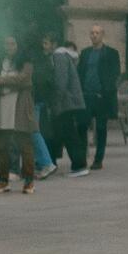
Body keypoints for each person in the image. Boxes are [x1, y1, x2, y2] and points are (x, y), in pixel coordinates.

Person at [0, 36, 38, 195]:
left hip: (19, 108)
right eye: (6, 43)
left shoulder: (26, 62)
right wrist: (1, 82)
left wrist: (1, 80)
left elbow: (24, 79)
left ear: (18, 45)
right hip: (1, 108)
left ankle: (29, 181)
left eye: (12, 43)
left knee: (24, 145)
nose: (9, 46)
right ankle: (3, 180)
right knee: (1, 147)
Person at [76, 25, 120, 171]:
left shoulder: (111, 53)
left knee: (101, 128)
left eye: (97, 33)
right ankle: (82, 157)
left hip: (101, 96)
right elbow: (80, 72)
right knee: (82, 126)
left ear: (102, 35)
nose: (94, 35)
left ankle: (98, 159)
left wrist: (106, 90)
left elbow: (115, 74)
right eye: (92, 32)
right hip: (86, 95)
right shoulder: (85, 53)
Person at [48, 33, 87, 177]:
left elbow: (61, 82)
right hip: (69, 101)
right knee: (66, 133)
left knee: (70, 134)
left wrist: (56, 102)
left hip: (65, 102)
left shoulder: (59, 56)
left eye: (47, 43)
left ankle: (79, 165)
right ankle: (74, 163)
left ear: (54, 44)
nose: (45, 47)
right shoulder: (64, 56)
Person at [29, 34, 58, 179]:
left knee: (33, 131)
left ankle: (46, 162)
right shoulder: (45, 60)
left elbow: (43, 81)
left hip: (36, 100)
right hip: (40, 100)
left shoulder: (40, 60)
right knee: (34, 131)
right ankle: (41, 162)